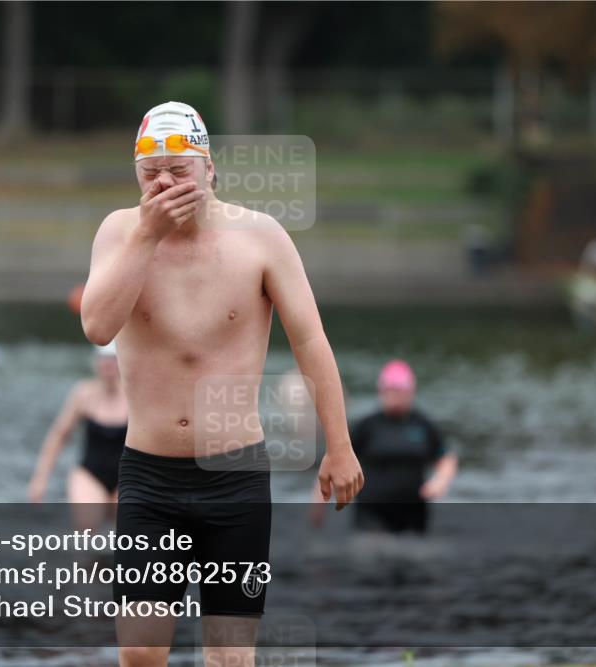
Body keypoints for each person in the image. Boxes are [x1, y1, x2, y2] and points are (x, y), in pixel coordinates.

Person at [80, 101, 363, 667]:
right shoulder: (118, 232)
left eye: (179, 169)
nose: (164, 182)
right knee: (139, 654)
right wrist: (146, 236)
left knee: (231, 658)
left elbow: (310, 341)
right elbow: (97, 326)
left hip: (234, 476)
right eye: (150, 171)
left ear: (210, 168)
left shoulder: (261, 237)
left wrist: (340, 445)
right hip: (150, 475)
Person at [313, 359, 457, 534]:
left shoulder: (423, 425)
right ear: (381, 391)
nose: (395, 396)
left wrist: (440, 482)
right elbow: (336, 461)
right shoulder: (368, 426)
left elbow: (445, 458)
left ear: (411, 392)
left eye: (400, 391)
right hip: (372, 513)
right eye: (390, 391)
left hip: (413, 514)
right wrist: (318, 506)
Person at [27, 341, 128, 531]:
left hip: (127, 477)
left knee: (127, 533)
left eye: (113, 362)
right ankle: (86, 561)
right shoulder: (84, 394)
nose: (108, 367)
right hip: (90, 473)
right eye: (104, 362)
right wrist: (40, 478)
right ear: (96, 364)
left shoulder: (134, 396)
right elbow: (59, 436)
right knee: (87, 527)